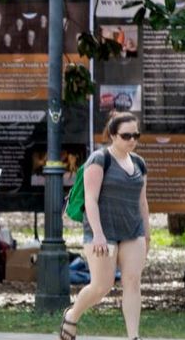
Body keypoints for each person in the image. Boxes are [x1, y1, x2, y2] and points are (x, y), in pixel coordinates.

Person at [59, 112, 149, 340]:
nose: (132, 140)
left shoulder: (139, 163)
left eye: (136, 135)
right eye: (126, 135)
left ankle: (133, 336)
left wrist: (147, 233)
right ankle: (72, 315)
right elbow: (90, 198)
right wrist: (98, 234)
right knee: (102, 286)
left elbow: (142, 201)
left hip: (132, 230)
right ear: (112, 135)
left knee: (132, 281)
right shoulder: (99, 159)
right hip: (103, 231)